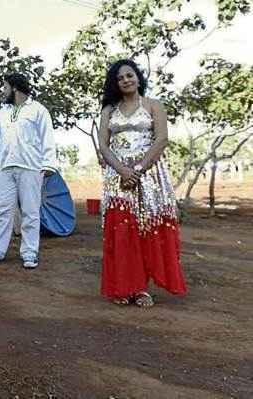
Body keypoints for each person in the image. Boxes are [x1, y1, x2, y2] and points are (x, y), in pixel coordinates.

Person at [98, 59, 186, 307]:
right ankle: (126, 286)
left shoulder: (153, 105)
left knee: (145, 228)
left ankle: (143, 288)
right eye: (120, 78)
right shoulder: (108, 111)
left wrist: (136, 170)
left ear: (138, 77)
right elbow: (104, 145)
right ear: (114, 83)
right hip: (117, 176)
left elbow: (161, 140)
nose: (125, 80)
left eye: (129, 75)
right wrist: (122, 171)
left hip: (149, 176)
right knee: (122, 230)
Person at [0, 73, 56, 269]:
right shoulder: (2, 113)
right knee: (2, 210)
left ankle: (30, 252)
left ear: (15, 88)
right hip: (6, 167)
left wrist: (48, 164)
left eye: (5, 87)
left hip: (31, 167)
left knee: (30, 211)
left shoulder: (38, 110)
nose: (3, 91)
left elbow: (47, 137)